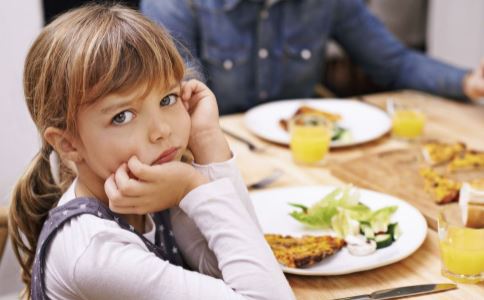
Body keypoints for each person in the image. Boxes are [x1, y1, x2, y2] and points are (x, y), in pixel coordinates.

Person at [8, 4, 294, 300]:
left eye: (168, 98)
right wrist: (192, 186)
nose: (161, 130)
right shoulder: (94, 252)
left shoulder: (156, 193)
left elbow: (245, 265)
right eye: (122, 116)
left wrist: (208, 141)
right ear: (68, 144)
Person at [141, 0, 484, 114]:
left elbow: (392, 62)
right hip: (210, 159)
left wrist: (467, 82)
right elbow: (176, 98)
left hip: (306, 153)